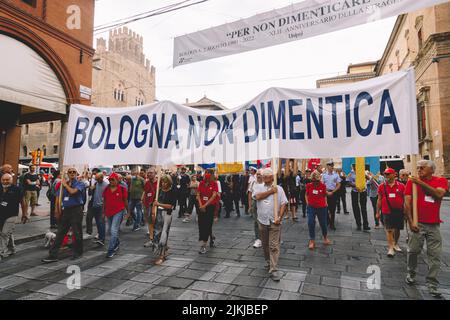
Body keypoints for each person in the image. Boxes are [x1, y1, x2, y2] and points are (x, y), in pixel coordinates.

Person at [404, 160, 448, 298]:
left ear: (432, 170)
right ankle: (411, 272)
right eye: (417, 167)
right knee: (413, 250)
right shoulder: (411, 182)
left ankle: (432, 284)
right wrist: (411, 222)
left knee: (435, 255)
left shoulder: (440, 180)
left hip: (434, 224)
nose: (419, 169)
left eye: (422, 167)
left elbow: (439, 194)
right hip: (418, 223)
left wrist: (420, 183)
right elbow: (407, 203)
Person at [42, 168, 86, 263]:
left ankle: (78, 252)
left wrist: (65, 185)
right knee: (60, 232)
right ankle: (53, 255)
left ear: (76, 173)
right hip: (66, 210)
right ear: (67, 174)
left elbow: (73, 192)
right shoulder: (63, 185)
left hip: (76, 209)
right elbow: (58, 198)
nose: (72, 173)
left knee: (77, 232)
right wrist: (57, 211)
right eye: (70, 172)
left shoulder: (80, 183)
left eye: (74, 172)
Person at [253, 168, 288, 282]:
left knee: (273, 245)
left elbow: (283, 203)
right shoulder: (258, 186)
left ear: (272, 178)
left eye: (267, 177)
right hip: (262, 220)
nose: (265, 178)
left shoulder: (279, 188)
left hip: (274, 221)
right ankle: (268, 262)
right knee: (265, 244)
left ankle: (273, 268)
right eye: (264, 177)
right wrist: (270, 192)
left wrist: (280, 217)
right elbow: (257, 197)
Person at [376, 168, 405, 258]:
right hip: (386, 211)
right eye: (385, 174)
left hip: (399, 211)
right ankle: (391, 248)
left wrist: (407, 211)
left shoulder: (401, 186)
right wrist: (377, 212)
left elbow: (405, 199)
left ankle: (395, 243)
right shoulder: (381, 186)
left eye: (388, 174)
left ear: (394, 175)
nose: (386, 176)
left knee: (397, 229)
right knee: (389, 230)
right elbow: (379, 199)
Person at [102, 173, 129, 258]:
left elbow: (125, 201)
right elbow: (104, 201)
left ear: (117, 180)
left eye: (113, 179)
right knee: (110, 230)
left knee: (113, 230)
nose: (111, 181)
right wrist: (103, 212)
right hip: (108, 211)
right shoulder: (106, 189)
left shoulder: (122, 189)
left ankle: (111, 250)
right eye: (110, 180)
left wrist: (128, 212)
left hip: (119, 211)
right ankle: (116, 242)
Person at [153, 174, 176, 265]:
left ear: (169, 182)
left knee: (164, 235)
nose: (163, 183)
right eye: (162, 181)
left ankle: (162, 256)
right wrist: (153, 212)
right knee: (157, 234)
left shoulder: (172, 191)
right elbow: (154, 203)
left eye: (165, 181)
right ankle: (164, 249)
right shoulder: (159, 190)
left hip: (167, 214)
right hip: (158, 214)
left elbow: (171, 206)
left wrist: (159, 204)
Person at [0, 174, 25, 259]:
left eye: (7, 179)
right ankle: (12, 248)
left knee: (4, 233)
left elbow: (23, 202)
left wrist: (24, 214)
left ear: (12, 180)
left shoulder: (17, 189)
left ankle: (3, 252)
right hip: (1, 214)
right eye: (4, 180)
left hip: (12, 214)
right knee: (8, 233)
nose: (5, 181)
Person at [306, 170, 331, 250]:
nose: (315, 183)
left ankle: (325, 237)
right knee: (310, 222)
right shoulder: (309, 185)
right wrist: (307, 203)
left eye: (317, 181)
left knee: (323, 223)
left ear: (319, 180)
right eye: (313, 181)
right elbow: (306, 195)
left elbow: (325, 195)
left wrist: (327, 201)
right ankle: (312, 240)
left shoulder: (323, 186)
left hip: (321, 207)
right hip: (311, 207)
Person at [196, 171, 219, 254]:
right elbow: (198, 195)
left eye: (208, 178)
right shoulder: (201, 183)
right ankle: (210, 237)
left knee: (207, 224)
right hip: (201, 206)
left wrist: (205, 205)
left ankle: (203, 245)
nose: (207, 179)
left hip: (210, 207)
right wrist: (201, 205)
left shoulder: (214, 184)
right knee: (201, 224)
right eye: (206, 177)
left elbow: (214, 196)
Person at [86, 173, 109, 246]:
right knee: (98, 223)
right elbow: (91, 194)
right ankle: (100, 237)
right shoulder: (96, 183)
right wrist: (91, 188)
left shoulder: (106, 185)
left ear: (102, 178)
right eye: (96, 179)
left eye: (98, 179)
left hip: (101, 206)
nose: (96, 180)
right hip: (94, 205)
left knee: (101, 223)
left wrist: (105, 207)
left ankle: (102, 239)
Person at [348, 164, 370, 231]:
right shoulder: (350, 173)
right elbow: (348, 182)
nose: (355, 167)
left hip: (363, 191)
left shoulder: (362, 171)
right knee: (355, 208)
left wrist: (364, 174)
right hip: (355, 192)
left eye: (356, 165)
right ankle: (358, 224)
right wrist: (355, 185)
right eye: (354, 166)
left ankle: (365, 225)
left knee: (364, 208)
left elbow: (368, 178)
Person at [321, 161, 341, 231]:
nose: (331, 167)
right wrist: (326, 192)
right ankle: (328, 220)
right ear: (327, 166)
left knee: (333, 209)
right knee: (325, 209)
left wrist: (333, 191)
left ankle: (332, 224)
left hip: (333, 193)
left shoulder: (336, 175)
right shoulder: (323, 175)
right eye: (330, 165)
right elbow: (322, 184)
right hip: (325, 193)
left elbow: (338, 184)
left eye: (332, 165)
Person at [143, 168, 158, 247]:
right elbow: (145, 193)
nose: (149, 174)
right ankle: (151, 239)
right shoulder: (147, 183)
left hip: (156, 205)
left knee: (157, 222)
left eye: (151, 173)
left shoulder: (159, 183)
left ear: (155, 173)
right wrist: (144, 204)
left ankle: (157, 239)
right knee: (150, 222)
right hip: (148, 205)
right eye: (148, 173)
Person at [249, 169, 263, 248]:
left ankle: (264, 238)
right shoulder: (253, 182)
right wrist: (250, 205)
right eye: (257, 174)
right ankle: (258, 239)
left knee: (263, 221)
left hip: (263, 203)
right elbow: (250, 193)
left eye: (260, 174)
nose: (258, 175)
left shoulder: (266, 183)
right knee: (256, 221)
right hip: (255, 202)